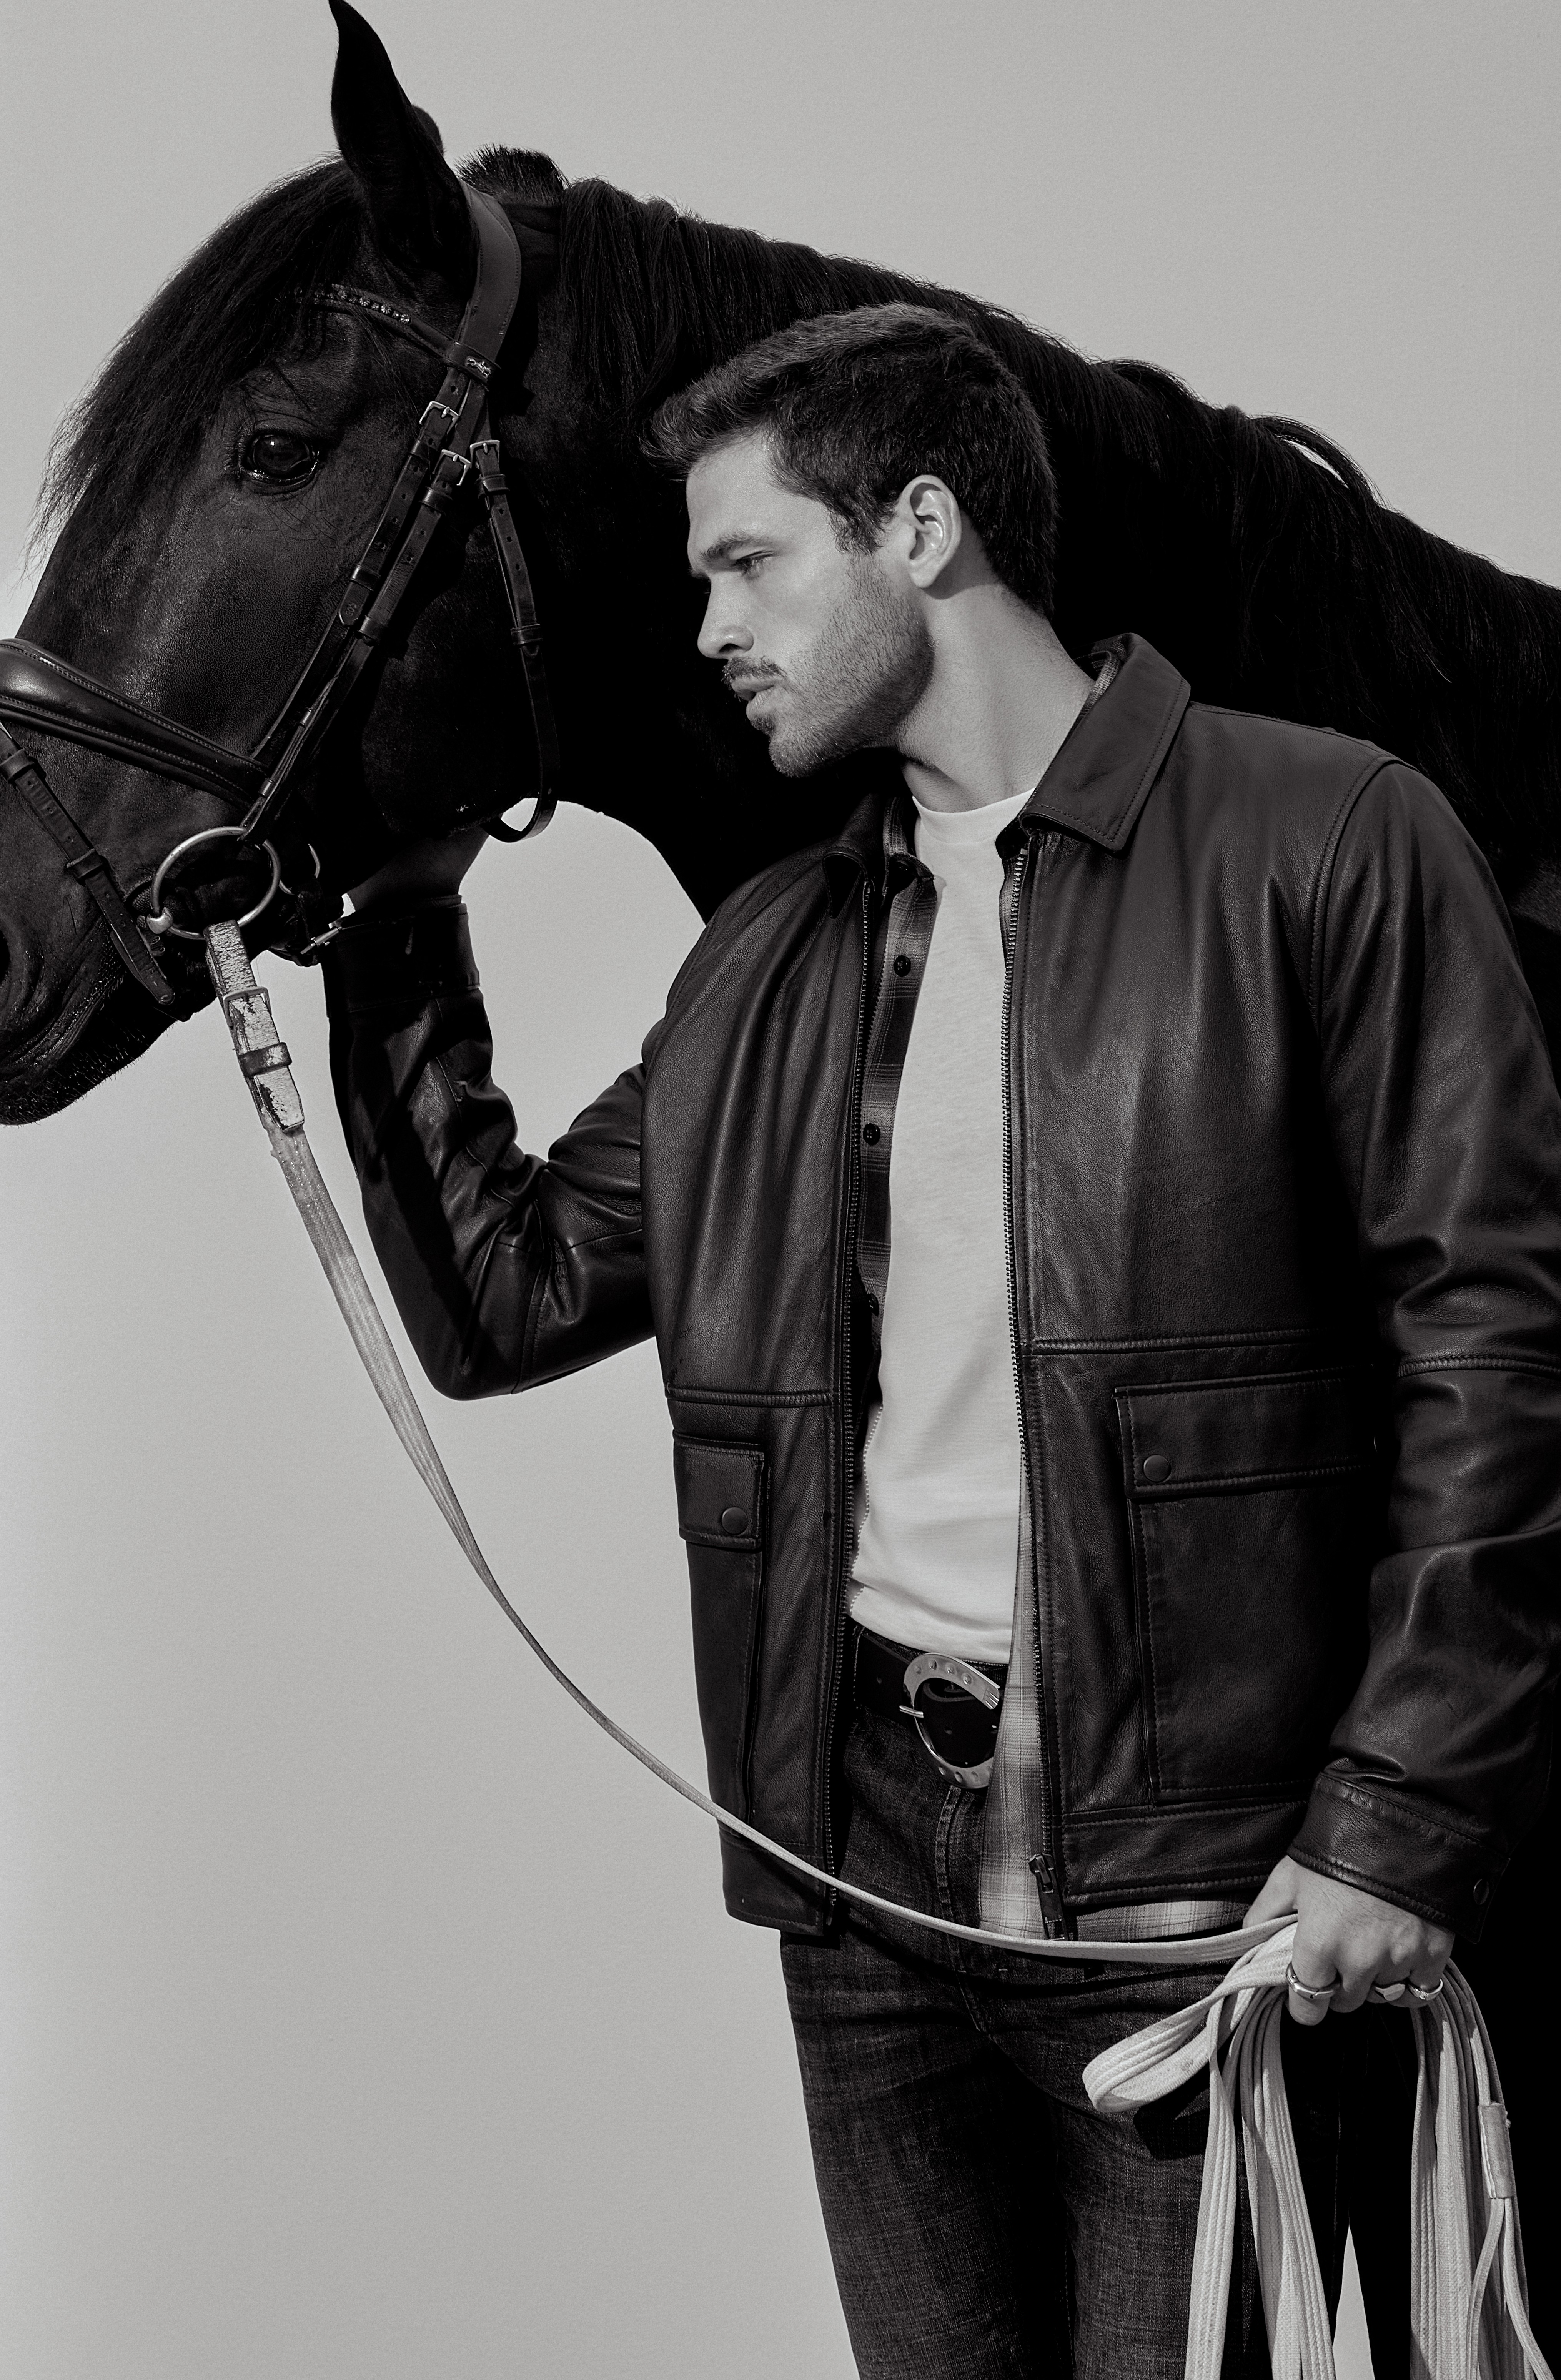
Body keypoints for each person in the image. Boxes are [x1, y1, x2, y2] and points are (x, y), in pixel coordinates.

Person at [322, 303, 1561, 2379]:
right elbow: (502, 1295)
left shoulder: (1330, 840)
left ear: (920, 528)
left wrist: (1398, 1821)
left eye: (748, 561)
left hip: (1192, 1909)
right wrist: (393, 934)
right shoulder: (774, 953)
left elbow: (1501, 1356)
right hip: (863, 1896)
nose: (708, 626)